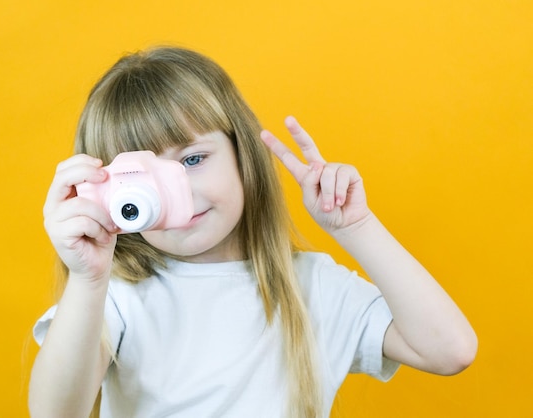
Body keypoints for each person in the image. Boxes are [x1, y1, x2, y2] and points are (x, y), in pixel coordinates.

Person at [28, 46, 477, 418]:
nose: (178, 191)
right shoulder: (114, 299)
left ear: (242, 154)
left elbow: (450, 350)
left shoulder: (313, 287)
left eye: (192, 160)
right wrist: (87, 281)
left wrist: (357, 227)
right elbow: (55, 413)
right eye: (144, 179)